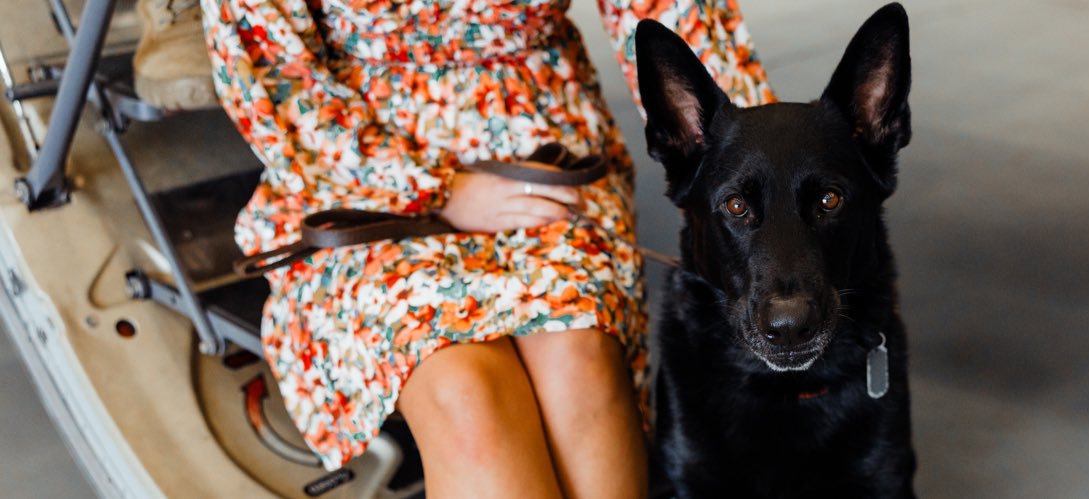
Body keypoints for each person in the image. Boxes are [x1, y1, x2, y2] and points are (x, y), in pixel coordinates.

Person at [200, 0, 774, 496]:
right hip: (354, 168)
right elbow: (272, 69)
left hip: (540, 144)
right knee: (463, 393)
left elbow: (673, 17)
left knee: (578, 355)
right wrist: (437, 188)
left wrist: (755, 174)